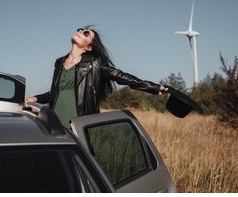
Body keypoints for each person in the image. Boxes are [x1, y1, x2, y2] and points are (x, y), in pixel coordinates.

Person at [25, 26, 168, 128]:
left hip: (78, 126)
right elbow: (56, 92)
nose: (80, 31)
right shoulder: (59, 63)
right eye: (80, 30)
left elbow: (123, 77)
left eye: (86, 33)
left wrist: (154, 88)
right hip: (54, 124)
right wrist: (36, 98)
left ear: (89, 47)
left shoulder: (94, 64)